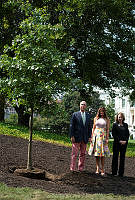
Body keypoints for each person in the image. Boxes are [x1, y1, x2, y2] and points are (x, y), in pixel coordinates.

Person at [69, 101, 92, 172]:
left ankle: (80, 168)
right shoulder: (75, 114)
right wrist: (72, 135)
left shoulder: (88, 115)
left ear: (86, 106)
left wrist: (89, 136)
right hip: (76, 137)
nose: (83, 106)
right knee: (74, 154)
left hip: (84, 138)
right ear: (79, 105)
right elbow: (71, 126)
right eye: (82, 104)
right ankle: (72, 168)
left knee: (83, 154)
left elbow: (89, 127)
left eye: (84, 105)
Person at [89, 107, 110, 175]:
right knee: (97, 153)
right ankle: (98, 168)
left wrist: (107, 138)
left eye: (103, 111)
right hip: (96, 136)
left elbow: (107, 129)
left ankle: (103, 168)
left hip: (103, 137)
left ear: (104, 112)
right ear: (99, 112)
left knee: (102, 154)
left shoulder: (107, 119)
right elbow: (93, 128)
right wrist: (91, 137)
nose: (101, 113)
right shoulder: (96, 118)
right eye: (100, 111)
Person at [112, 112, 129, 177]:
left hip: (124, 144)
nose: (120, 118)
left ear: (123, 118)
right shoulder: (115, 125)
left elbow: (127, 134)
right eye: (119, 117)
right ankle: (114, 172)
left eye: (121, 117)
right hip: (117, 143)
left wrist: (125, 141)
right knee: (115, 157)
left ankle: (121, 173)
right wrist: (119, 141)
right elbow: (114, 134)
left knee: (122, 158)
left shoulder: (126, 125)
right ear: (117, 118)